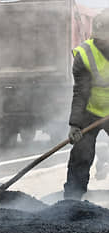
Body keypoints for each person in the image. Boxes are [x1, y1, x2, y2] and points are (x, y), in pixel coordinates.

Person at [65, 9, 109, 200]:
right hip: (90, 112)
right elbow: (80, 93)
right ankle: (72, 201)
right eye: (98, 38)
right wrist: (75, 124)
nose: (101, 42)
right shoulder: (84, 54)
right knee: (81, 153)